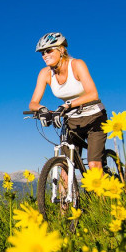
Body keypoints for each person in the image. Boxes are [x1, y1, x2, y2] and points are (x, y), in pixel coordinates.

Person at [29, 32, 107, 169]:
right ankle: (65, 191)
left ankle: (102, 190)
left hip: (94, 117)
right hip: (71, 121)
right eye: (42, 53)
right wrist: (42, 109)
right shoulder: (44, 74)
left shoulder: (77, 65)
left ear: (61, 50)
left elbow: (93, 94)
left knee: (94, 164)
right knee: (66, 166)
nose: (45, 55)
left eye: (49, 50)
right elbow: (33, 103)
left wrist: (66, 105)